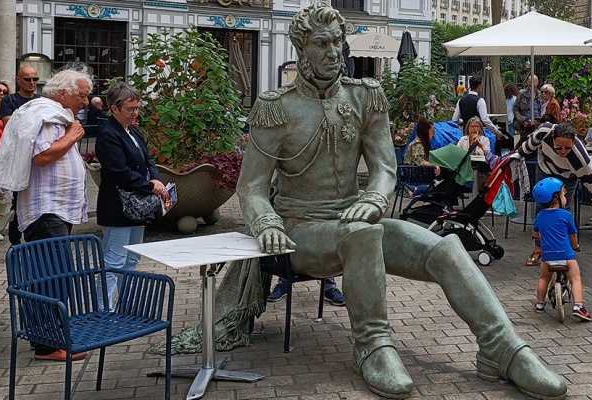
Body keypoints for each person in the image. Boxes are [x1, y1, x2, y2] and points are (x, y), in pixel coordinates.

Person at [237, 3, 566, 399]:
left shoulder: (365, 97)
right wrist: (267, 223)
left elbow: (383, 167)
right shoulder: (277, 105)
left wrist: (376, 195)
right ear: (301, 47)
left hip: (358, 219)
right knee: (360, 235)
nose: (331, 53)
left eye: (336, 44)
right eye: (320, 44)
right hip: (300, 230)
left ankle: (503, 349)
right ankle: (372, 345)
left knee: (447, 247)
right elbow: (252, 187)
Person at [0, 67, 92, 360]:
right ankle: (47, 344)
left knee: (50, 275)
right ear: (63, 93)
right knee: (52, 277)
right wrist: (72, 136)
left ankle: (50, 339)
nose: (85, 102)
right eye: (82, 95)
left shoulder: (54, 115)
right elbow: (43, 157)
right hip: (46, 209)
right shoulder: (48, 115)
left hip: (55, 209)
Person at [94, 82, 169, 311]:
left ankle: (126, 304)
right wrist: (150, 186)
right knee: (114, 260)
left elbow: (147, 160)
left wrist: (155, 179)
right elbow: (119, 172)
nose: (135, 113)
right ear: (114, 109)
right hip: (117, 207)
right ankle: (103, 309)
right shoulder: (108, 134)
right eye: (130, 108)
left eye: (137, 108)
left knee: (132, 258)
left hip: (137, 206)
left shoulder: (132, 130)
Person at [519, 123, 592, 266]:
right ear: (553, 139)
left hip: (568, 176)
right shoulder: (545, 132)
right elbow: (528, 146)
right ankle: (539, 248)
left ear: (573, 143)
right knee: (542, 206)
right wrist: (518, 154)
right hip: (545, 169)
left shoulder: (580, 158)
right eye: (558, 146)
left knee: (562, 210)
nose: (563, 151)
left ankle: (562, 248)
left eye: (568, 147)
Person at [530, 177, 591, 322]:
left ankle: (539, 304)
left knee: (543, 278)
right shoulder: (566, 215)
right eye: (563, 194)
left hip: (547, 257)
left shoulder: (540, 215)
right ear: (556, 198)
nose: (565, 197)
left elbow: (535, 232)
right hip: (566, 255)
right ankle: (578, 307)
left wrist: (537, 235)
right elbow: (572, 234)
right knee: (575, 279)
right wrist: (575, 246)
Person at [0, 66, 42, 247]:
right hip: (17, 157)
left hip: (37, 157)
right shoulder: (10, 100)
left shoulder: (41, 101)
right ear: (18, 80)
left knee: (37, 197)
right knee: (16, 199)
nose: (32, 83)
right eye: (28, 79)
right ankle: (15, 242)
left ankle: (34, 238)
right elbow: (10, 126)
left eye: (35, 79)